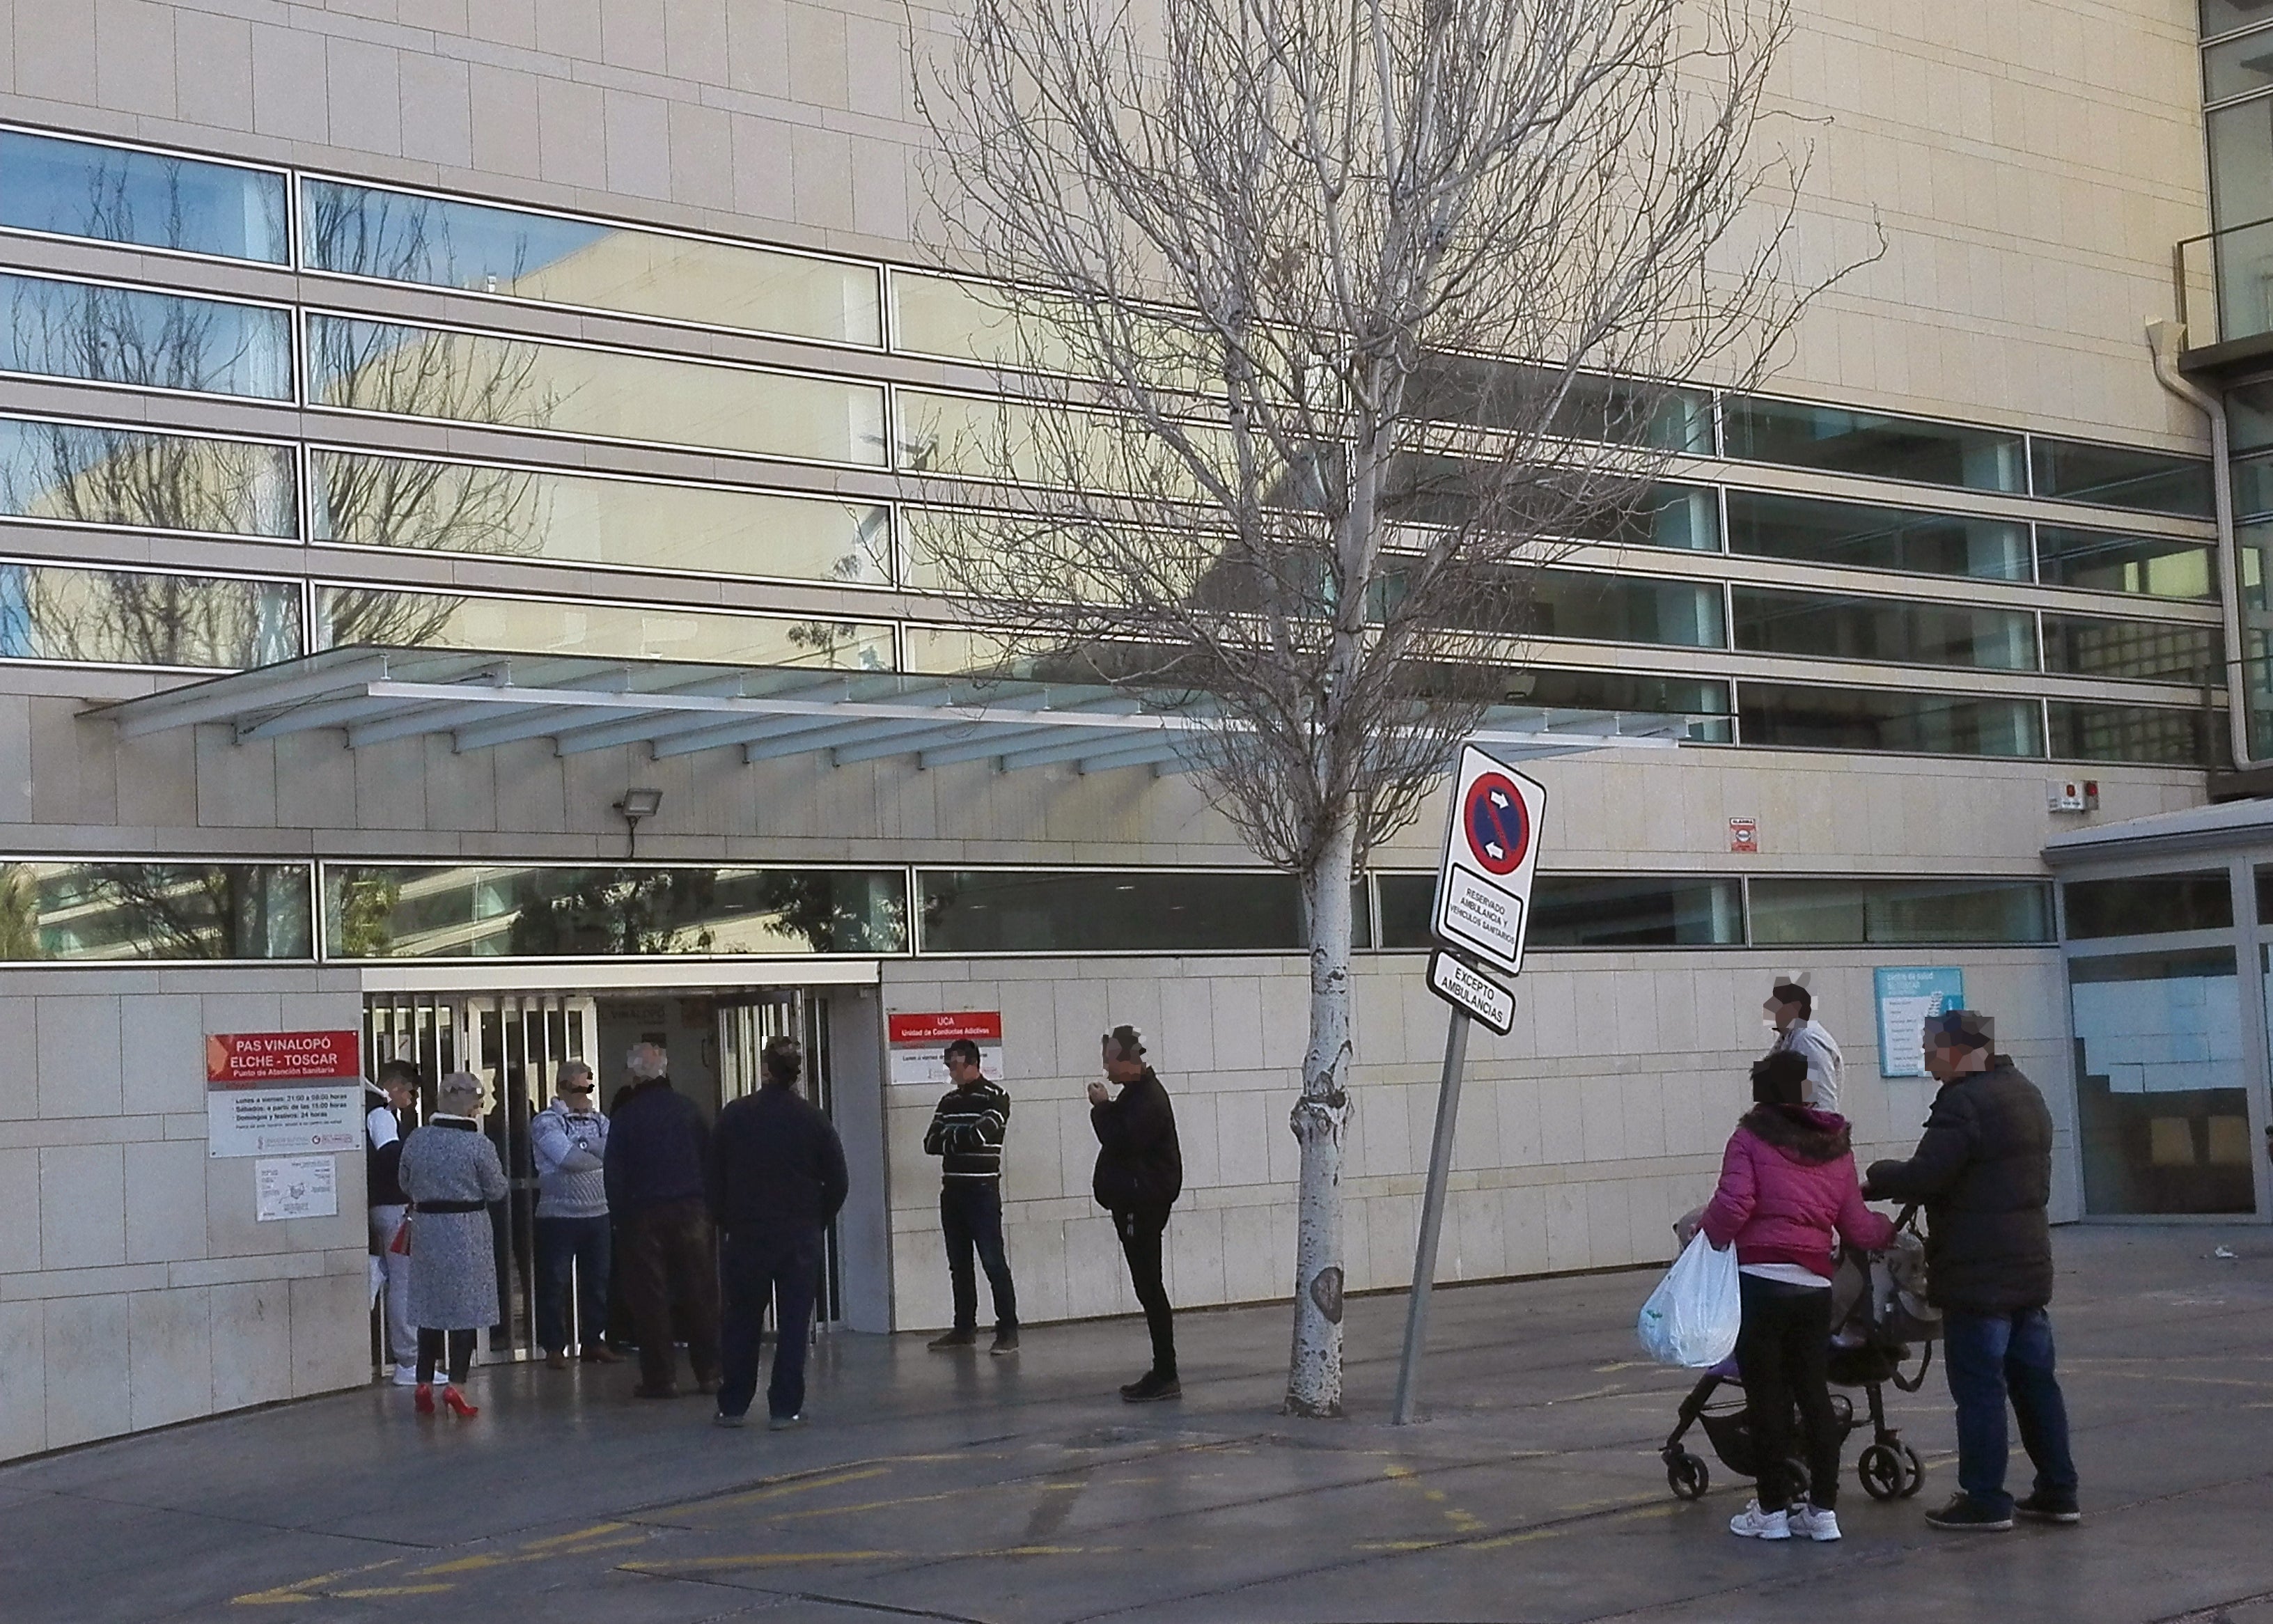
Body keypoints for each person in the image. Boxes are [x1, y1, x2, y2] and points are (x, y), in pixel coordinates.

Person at [1864, 1008, 2079, 1532]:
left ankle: (1984, 1497)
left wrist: (1877, 1177)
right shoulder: (2025, 1092)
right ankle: (2058, 1489)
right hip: (2027, 1266)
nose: (1924, 1057)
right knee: (2035, 1383)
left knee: (1980, 1388)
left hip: (1978, 1273)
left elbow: (1928, 1174)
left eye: (1931, 1048)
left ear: (1958, 1051)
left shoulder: (1964, 1104)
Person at [1693, 1050, 1894, 1543]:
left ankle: (1771, 1510)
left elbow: (1735, 1203)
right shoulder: (1835, 1148)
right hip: (1813, 1288)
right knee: (1814, 1393)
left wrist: (1708, 1238)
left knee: (1768, 1398)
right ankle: (1822, 1511)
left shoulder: (1749, 1138)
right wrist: (1885, 1229)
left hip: (1760, 1281)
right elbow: (1856, 1225)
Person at [708, 1036, 849, 1430]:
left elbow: (713, 1176)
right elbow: (838, 1180)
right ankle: (785, 1407)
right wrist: (814, 1219)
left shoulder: (735, 1115)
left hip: (747, 1234)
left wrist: (726, 1220)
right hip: (798, 1234)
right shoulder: (813, 1118)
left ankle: (733, 1404)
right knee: (793, 1323)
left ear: (765, 1070)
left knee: (742, 1320)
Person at [603, 1041, 721, 1398]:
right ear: (665, 1071)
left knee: (650, 1300)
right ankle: (710, 1373)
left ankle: (661, 1377)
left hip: (642, 1216)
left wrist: (621, 1219)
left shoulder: (626, 1117)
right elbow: (710, 1160)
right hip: (692, 1211)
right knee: (700, 1294)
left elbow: (615, 1175)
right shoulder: (689, 1110)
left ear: (635, 1075)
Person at [396, 1071, 509, 1419]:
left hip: (428, 1228)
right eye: (478, 1101)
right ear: (467, 1104)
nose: (480, 1107)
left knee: (430, 1307)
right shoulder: (479, 1145)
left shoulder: (417, 1139)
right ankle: (456, 1386)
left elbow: (404, 1182)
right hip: (468, 1229)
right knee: (467, 1309)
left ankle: (423, 1381)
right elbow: (498, 1190)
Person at [1089, 1025, 1183, 1402]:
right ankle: (1163, 1370)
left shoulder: (1148, 1099)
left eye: (1110, 1060)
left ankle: (1166, 1372)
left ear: (1129, 1061)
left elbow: (1121, 1139)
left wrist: (1100, 1107)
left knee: (1149, 1286)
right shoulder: (1135, 1094)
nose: (1105, 1069)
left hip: (1142, 1205)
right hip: (1135, 1202)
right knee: (1147, 1286)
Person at [924, 1038, 1020, 1356]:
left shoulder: (996, 1097)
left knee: (993, 1261)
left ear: (972, 1063)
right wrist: (960, 1138)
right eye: (949, 1065)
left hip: (981, 1190)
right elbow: (930, 1143)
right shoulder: (948, 1101)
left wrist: (952, 1138)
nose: (951, 1071)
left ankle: (1007, 1330)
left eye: (955, 1065)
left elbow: (982, 1134)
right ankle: (964, 1327)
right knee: (959, 1264)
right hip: (952, 1190)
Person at [531, 1059, 616, 1371]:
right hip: (558, 1215)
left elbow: (615, 1150)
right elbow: (566, 1159)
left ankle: (594, 1341)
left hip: (598, 1212)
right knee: (554, 1283)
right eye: (576, 1088)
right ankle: (554, 1347)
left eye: (587, 1087)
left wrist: (586, 1145)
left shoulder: (601, 1119)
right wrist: (597, 1151)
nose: (583, 1095)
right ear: (561, 1087)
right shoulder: (546, 1121)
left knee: (598, 1282)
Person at [365, 1059, 420, 1387]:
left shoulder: (377, 1112)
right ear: (396, 1088)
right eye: (411, 1091)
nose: (413, 1098)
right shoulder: (381, 1115)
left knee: (393, 1276)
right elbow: (392, 1155)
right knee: (404, 1283)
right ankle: (408, 1360)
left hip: (385, 1207)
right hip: (393, 1208)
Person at [1764, 978, 1844, 1114]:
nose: (1768, 1008)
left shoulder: (1807, 1039)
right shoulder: (1792, 1037)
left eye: (1775, 1005)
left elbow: (1823, 1101)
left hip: (1808, 1131)